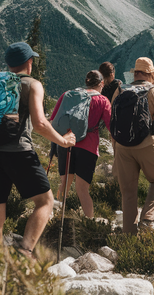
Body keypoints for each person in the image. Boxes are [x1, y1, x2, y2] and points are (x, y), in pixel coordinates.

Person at [0, 42, 76, 259]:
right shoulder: (32, 85)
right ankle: (24, 252)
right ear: (29, 62)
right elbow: (40, 123)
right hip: (19, 153)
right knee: (45, 201)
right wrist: (63, 141)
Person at [111, 57, 154, 234]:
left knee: (128, 193)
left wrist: (115, 147)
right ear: (151, 74)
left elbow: (112, 119)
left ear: (135, 74)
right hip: (146, 145)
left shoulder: (120, 89)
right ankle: (147, 218)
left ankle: (129, 236)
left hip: (122, 146)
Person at [51, 70, 111, 218]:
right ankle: (89, 222)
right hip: (88, 147)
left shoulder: (68, 95)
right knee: (82, 189)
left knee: (64, 183)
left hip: (66, 142)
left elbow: (54, 120)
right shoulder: (103, 101)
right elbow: (112, 126)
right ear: (101, 84)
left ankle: (59, 217)